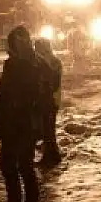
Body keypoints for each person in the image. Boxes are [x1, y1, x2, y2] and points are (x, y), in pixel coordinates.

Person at [0, 25, 42, 202]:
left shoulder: (30, 66)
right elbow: (2, 96)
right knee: (14, 168)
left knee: (20, 168)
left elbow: (31, 98)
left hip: (21, 126)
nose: (10, 49)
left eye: (13, 44)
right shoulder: (16, 64)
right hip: (12, 126)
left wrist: (17, 113)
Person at [34, 37, 63, 167]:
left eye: (38, 47)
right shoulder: (50, 61)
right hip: (48, 100)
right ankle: (51, 155)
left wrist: (45, 91)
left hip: (50, 100)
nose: (36, 50)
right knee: (47, 129)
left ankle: (52, 156)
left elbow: (54, 83)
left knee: (48, 129)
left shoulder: (52, 62)